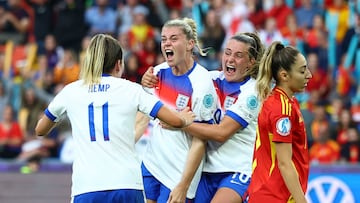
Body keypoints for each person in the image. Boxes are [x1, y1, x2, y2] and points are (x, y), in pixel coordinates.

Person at [34, 34, 196, 203]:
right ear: (119, 64)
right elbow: (174, 121)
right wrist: (184, 118)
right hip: (126, 185)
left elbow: (40, 130)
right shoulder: (131, 90)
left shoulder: (70, 91)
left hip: (87, 187)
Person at [142, 32, 265, 203]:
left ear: (251, 62)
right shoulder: (210, 79)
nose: (230, 59)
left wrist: (179, 123)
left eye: (238, 55)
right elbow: (177, 78)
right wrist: (148, 80)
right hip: (205, 170)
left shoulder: (252, 92)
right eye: (227, 52)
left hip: (237, 169)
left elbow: (222, 133)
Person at [140, 17, 218, 203]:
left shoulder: (201, 82)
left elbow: (201, 140)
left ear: (190, 44)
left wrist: (183, 185)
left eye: (174, 38)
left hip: (177, 173)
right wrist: (142, 84)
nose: (167, 43)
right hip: (151, 164)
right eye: (164, 39)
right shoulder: (157, 73)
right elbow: (141, 112)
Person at [245, 41, 312, 203]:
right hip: (275, 196)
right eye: (302, 71)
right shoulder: (281, 110)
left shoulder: (286, 102)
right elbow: (284, 162)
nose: (309, 75)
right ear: (284, 75)